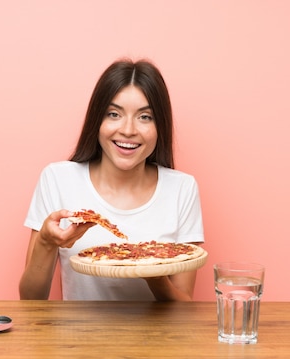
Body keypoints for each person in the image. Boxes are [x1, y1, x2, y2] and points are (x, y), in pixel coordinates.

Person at [19, 58, 204, 301]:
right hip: (77, 338)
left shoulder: (182, 188)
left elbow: (183, 311)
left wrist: (152, 272)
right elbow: (30, 300)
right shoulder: (57, 179)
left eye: (145, 117)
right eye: (114, 114)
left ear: (161, 126)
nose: (128, 130)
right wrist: (46, 241)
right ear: (97, 119)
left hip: (158, 339)